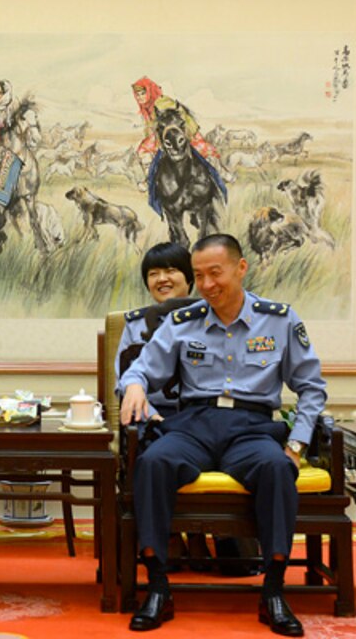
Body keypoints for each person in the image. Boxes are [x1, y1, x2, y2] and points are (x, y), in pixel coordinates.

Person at [119, 233, 326, 636]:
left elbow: (312, 388)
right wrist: (135, 385)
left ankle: (273, 591)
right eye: (199, 276)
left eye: (216, 273)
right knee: (153, 463)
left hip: (252, 428)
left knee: (277, 468)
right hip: (194, 425)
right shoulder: (182, 322)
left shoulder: (280, 320)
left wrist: (297, 443)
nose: (208, 285)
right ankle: (159, 587)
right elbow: (141, 369)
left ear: (241, 268)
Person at [115, 242, 215, 571]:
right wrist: (147, 413)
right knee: (150, 444)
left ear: (190, 277)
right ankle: (168, 538)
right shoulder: (134, 324)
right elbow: (124, 382)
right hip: (153, 417)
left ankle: (205, 535)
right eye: (153, 273)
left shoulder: (213, 319)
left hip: (204, 417)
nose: (162, 278)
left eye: (171, 270)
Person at [131, 77, 230, 194]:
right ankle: (150, 179)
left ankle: (221, 172)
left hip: (181, 131)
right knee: (144, 151)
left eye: (143, 93)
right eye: (137, 95)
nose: (140, 97)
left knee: (203, 151)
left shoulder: (162, 102)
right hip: (162, 135)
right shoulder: (146, 108)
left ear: (150, 92)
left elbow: (177, 118)